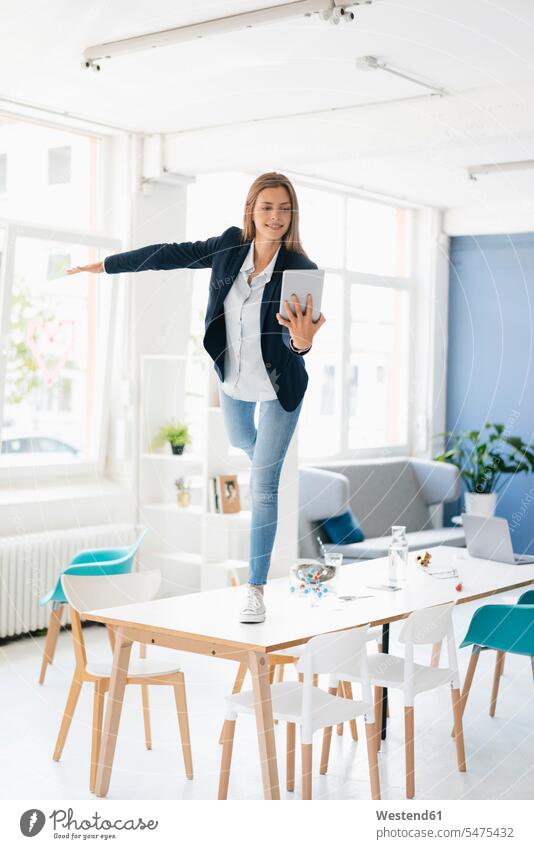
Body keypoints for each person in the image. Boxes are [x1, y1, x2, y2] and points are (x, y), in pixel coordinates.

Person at [67, 171, 326, 623]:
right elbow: (166, 255)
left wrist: (303, 342)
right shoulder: (228, 247)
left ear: (293, 214)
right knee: (239, 441)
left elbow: (297, 340)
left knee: (263, 489)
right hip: (232, 379)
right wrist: (106, 265)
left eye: (284, 209)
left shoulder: (301, 269)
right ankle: (267, 457)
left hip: (281, 384)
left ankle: (255, 591)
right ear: (251, 210)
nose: (276, 217)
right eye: (267, 207)